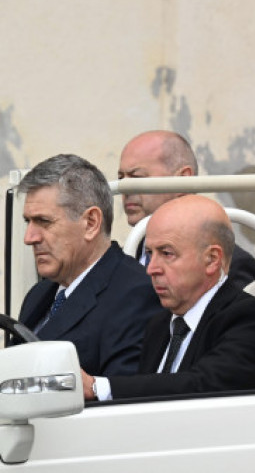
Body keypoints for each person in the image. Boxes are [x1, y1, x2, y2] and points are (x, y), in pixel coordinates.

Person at [83, 195, 255, 401]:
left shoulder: (249, 320)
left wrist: (98, 387)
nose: (151, 268)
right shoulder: (160, 325)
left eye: (166, 253)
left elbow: (201, 387)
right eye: (149, 253)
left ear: (211, 260)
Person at [18, 154, 163, 376]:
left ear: (91, 223)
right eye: (29, 222)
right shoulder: (39, 294)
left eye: (44, 222)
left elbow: (121, 399)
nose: (29, 238)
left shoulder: (136, 295)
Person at [118, 130, 255, 289]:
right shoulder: (129, 254)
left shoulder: (229, 267)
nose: (126, 189)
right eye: (121, 179)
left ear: (183, 180)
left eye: (137, 177)